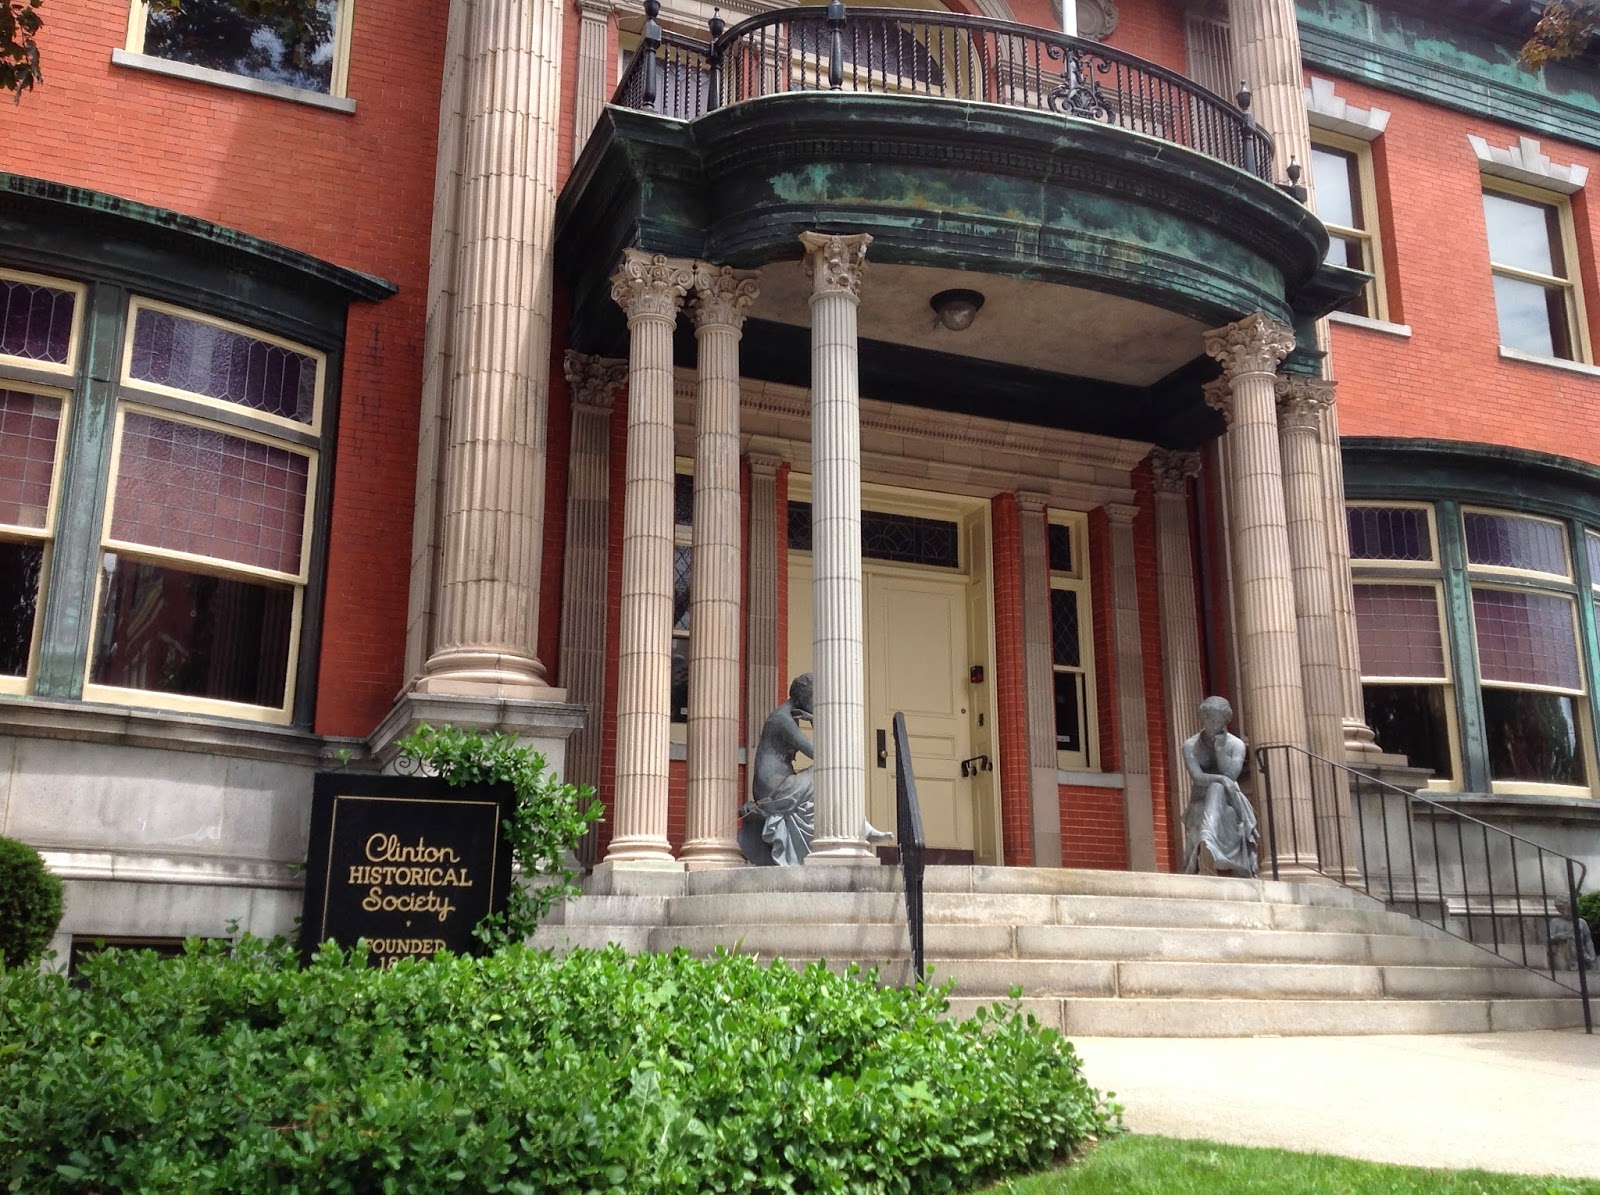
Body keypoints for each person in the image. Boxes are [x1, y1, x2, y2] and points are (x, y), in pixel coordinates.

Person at [739, 673, 893, 866]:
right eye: (816, 699)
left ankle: (859, 827)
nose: (818, 704)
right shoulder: (782, 720)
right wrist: (816, 719)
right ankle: (861, 828)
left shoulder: (787, 716)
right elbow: (822, 755)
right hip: (774, 790)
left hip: (781, 784)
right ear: (803, 698)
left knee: (828, 779)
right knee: (831, 772)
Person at [1181, 695, 1259, 877]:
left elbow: (1231, 775)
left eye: (1216, 720)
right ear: (1202, 718)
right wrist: (1221, 780)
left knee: (1218, 787)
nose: (1211, 724)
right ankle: (1209, 838)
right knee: (1217, 785)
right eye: (1208, 718)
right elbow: (1198, 777)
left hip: (1231, 801)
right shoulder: (1190, 745)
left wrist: (1219, 751)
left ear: (1225, 721)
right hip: (1200, 799)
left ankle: (1208, 836)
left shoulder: (1236, 745)